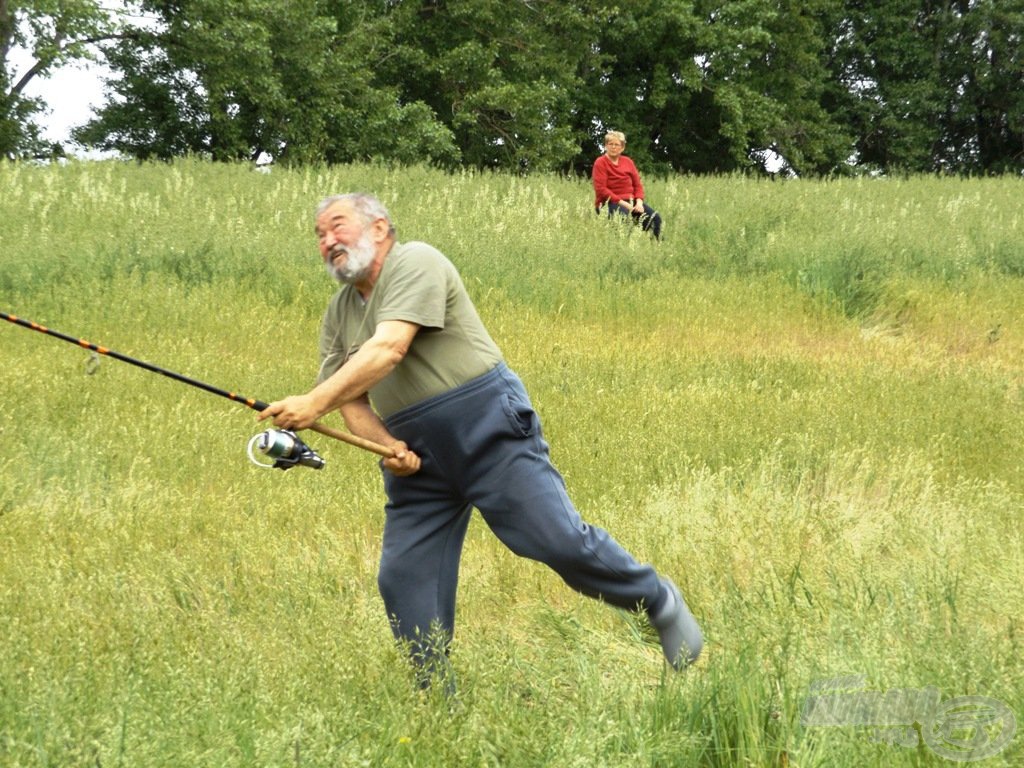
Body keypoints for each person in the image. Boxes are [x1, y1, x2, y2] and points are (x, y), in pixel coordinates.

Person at [259, 193, 700, 687]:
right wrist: (389, 447)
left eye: (337, 226)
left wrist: (311, 403)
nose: (328, 241)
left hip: (486, 424)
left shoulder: (417, 261)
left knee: (555, 541)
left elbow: (389, 349)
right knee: (404, 576)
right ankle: (436, 697)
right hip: (417, 456)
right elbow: (352, 402)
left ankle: (657, 600)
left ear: (380, 228)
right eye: (319, 235)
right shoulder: (339, 313)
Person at [592, 130, 663, 240]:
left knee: (655, 219)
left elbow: (637, 185)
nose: (614, 147)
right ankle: (625, 250)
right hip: (609, 203)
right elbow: (601, 189)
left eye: (617, 145)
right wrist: (625, 205)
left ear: (622, 148)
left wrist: (639, 202)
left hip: (632, 202)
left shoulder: (628, 162)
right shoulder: (600, 162)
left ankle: (656, 247)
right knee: (623, 220)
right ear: (606, 146)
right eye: (610, 144)